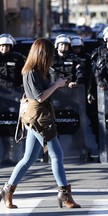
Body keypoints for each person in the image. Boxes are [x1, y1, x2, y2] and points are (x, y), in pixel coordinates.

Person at [0, 38, 81, 209]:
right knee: (56, 154)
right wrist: (57, 85)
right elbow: (39, 96)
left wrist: (57, 83)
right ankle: (64, 194)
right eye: (50, 55)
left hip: (38, 115)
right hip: (38, 117)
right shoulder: (30, 72)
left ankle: (7, 190)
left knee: (28, 158)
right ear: (43, 54)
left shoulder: (39, 71)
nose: (52, 58)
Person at [0, 33, 26, 165]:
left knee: (13, 127)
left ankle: (14, 155)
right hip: (1, 98)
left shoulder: (18, 59)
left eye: (7, 46)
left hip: (14, 97)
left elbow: (25, 75)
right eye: (2, 46)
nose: (4, 48)